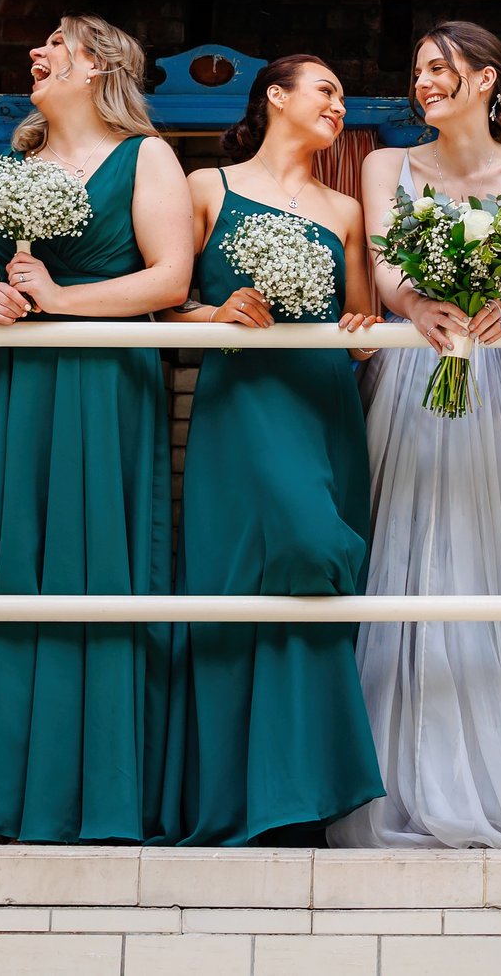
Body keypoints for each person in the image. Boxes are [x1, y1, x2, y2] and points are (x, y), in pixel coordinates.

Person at [0, 16, 192, 842]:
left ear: (99, 65)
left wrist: (61, 299)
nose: (37, 52)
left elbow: (170, 277)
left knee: (92, 564)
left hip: (102, 385)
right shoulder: (8, 166)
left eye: (56, 44)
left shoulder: (147, 157)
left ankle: (93, 793)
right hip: (12, 386)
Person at [332, 22, 501, 849]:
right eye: (418, 71)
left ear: (486, 79)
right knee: (403, 548)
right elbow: (384, 263)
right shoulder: (385, 165)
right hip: (413, 370)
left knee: (491, 548)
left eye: (440, 69)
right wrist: (416, 305)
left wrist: (499, 309)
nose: (424, 83)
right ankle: (397, 771)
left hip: (492, 374)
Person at [167, 54, 385, 845]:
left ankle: (301, 802)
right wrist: (218, 313)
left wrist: (363, 333)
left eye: (341, 92)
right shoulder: (207, 188)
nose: (338, 103)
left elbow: (362, 322)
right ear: (275, 97)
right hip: (243, 404)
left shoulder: (346, 208)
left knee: (322, 571)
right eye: (326, 88)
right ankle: (234, 796)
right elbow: (166, 312)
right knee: (277, 559)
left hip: (325, 407)